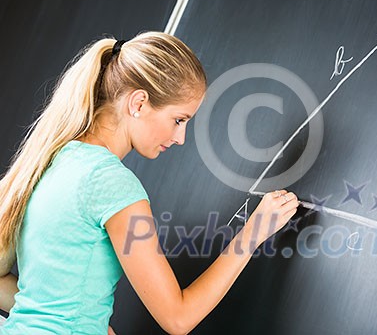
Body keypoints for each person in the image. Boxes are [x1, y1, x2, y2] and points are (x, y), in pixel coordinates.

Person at [0, 31, 299, 334]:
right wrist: (253, 233)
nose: (180, 137)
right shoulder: (111, 184)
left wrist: (86, 322)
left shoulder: (54, 158)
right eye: (179, 120)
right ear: (139, 103)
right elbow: (177, 318)